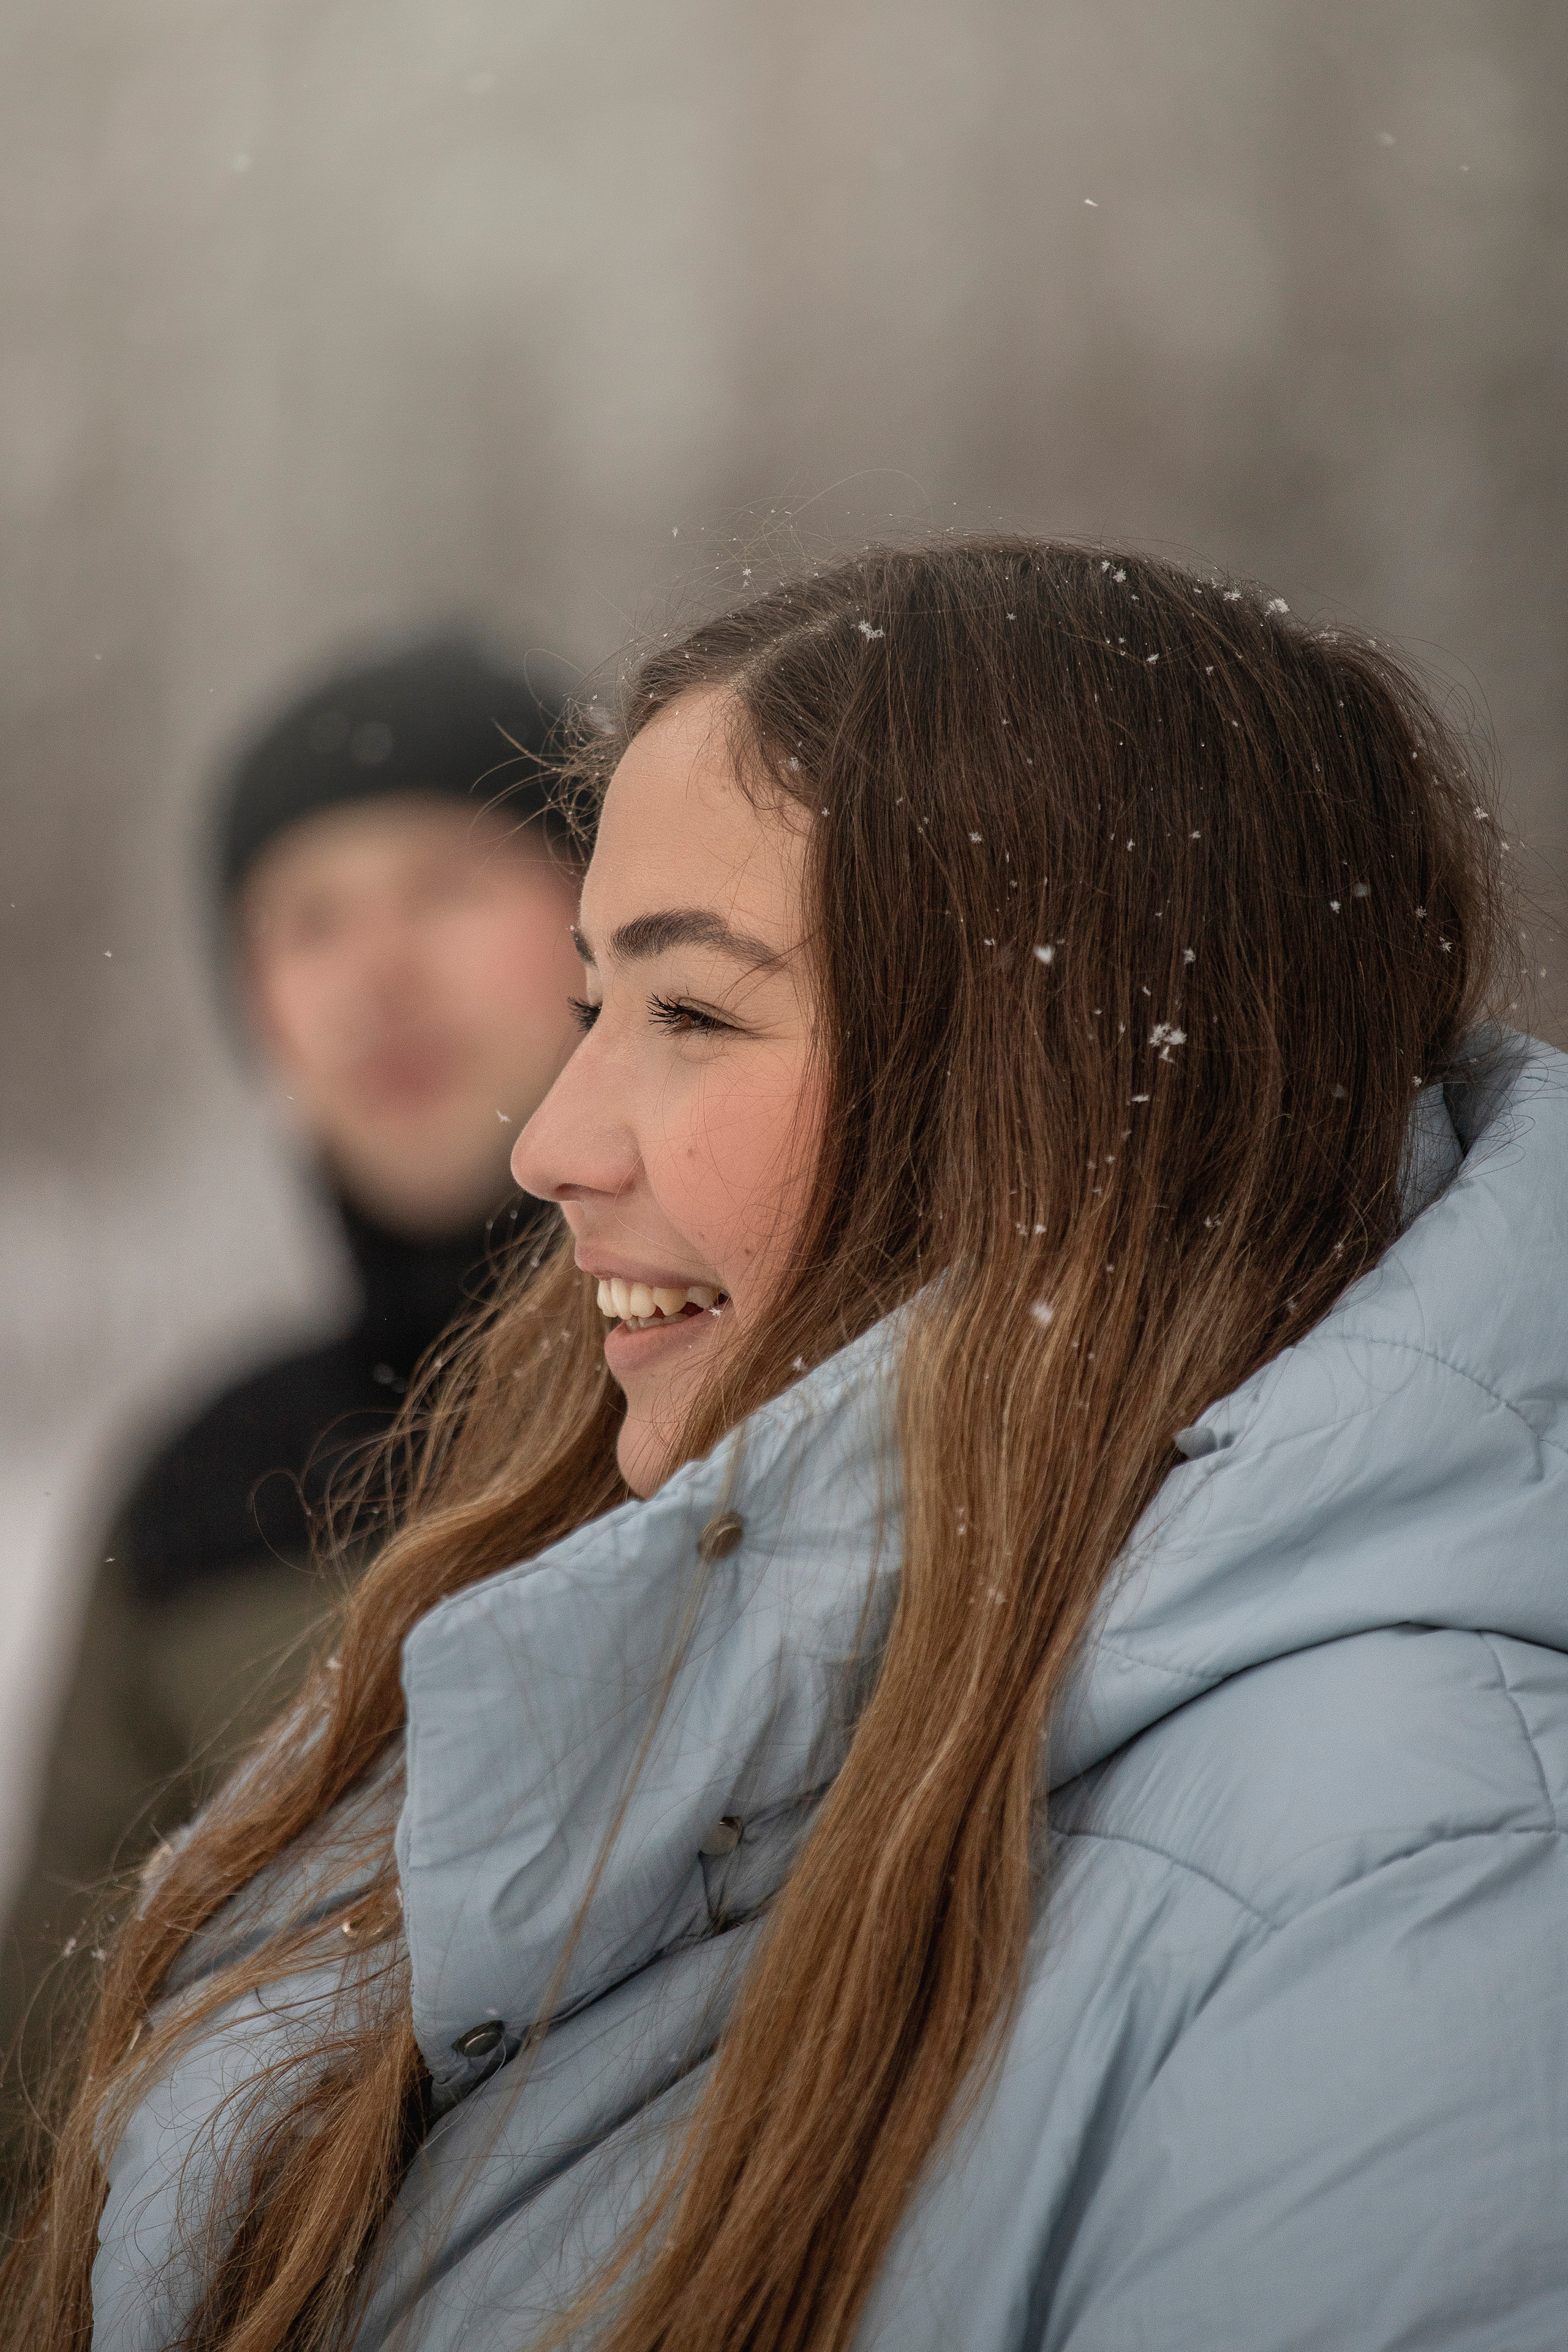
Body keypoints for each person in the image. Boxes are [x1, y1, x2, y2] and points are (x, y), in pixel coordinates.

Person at [7, 539, 1566, 2351]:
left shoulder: (1417, 1914)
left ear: (1047, 1079)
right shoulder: (515, 1549)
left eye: (689, 1009)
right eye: (603, 1004)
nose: (552, 1144)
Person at [0, 636, 584, 2185]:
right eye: (310, 918)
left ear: (604, 928)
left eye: (449, 886)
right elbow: (50, 2105)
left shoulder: (796, 1378)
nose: (380, 970)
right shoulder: (199, 1489)